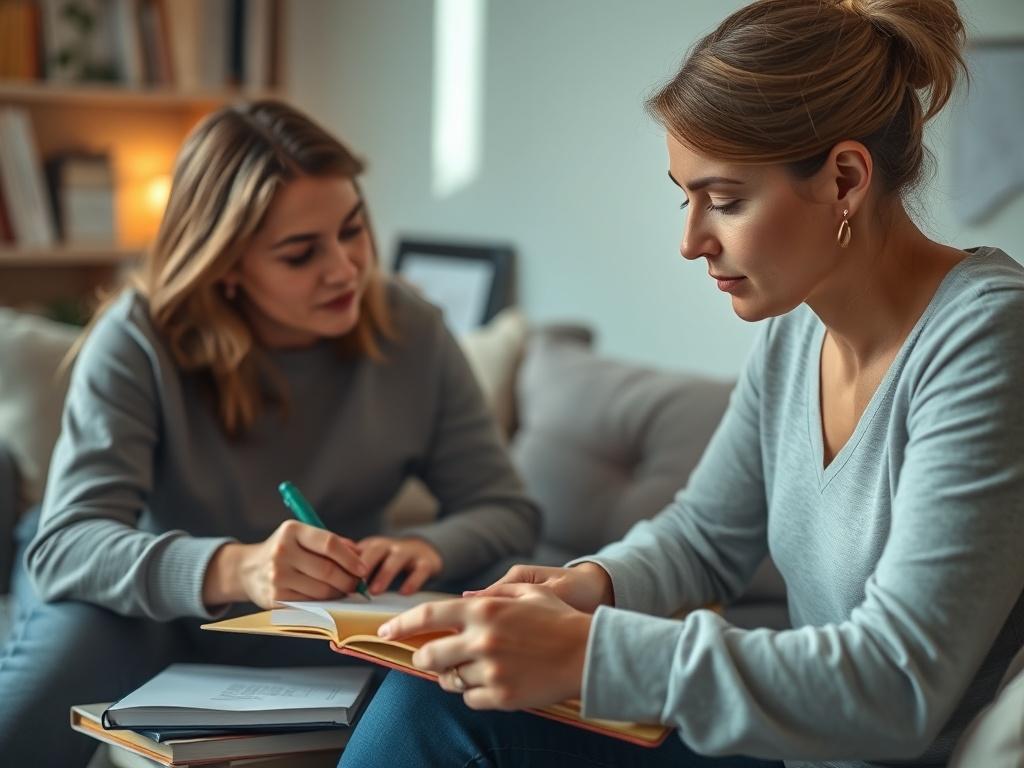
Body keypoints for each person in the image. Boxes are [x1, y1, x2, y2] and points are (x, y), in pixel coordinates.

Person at [337, 1, 1024, 766]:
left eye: (725, 201)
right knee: (432, 694)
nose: (692, 241)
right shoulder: (797, 330)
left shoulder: (988, 340)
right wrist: (589, 587)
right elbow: (704, 537)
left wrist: (586, 653)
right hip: (795, 748)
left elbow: (896, 686)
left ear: (845, 178)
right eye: (685, 195)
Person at [0, 100, 540, 766]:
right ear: (226, 265)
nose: (344, 267)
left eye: (353, 229)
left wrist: (426, 547)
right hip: (139, 605)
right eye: (299, 253)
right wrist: (238, 566)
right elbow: (66, 548)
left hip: (317, 618)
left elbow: (507, 509)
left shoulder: (412, 329)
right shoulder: (138, 338)